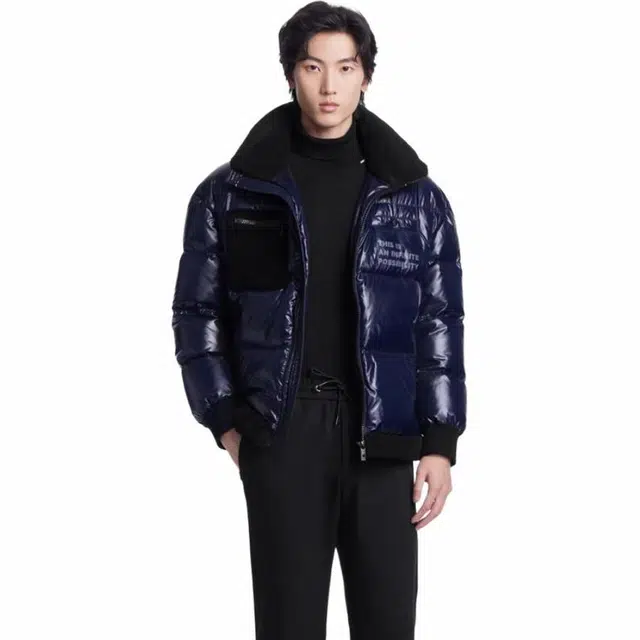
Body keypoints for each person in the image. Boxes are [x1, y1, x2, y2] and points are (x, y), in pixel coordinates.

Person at [171, 2, 466, 638]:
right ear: (290, 74)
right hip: (282, 431)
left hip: (383, 432)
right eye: (312, 67)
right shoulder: (231, 192)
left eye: (345, 67)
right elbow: (197, 314)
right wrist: (226, 420)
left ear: (366, 76)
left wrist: (440, 442)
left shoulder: (418, 199)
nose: (329, 86)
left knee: (388, 623)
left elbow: (439, 322)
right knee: (288, 624)